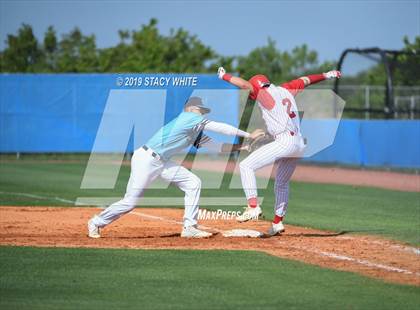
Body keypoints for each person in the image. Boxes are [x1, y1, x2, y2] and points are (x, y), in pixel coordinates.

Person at [88, 96, 264, 238]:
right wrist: (249, 134)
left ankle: (189, 227)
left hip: (162, 162)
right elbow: (218, 127)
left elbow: (217, 146)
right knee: (130, 202)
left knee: (193, 182)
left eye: (203, 111)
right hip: (146, 159)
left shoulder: (193, 130)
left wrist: (244, 147)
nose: (202, 113)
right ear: (190, 109)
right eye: (200, 110)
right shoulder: (188, 118)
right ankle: (96, 222)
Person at [217, 67, 341, 236]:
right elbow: (306, 80)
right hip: (298, 143)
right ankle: (277, 223)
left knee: (246, 166)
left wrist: (224, 76)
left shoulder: (264, 94)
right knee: (281, 183)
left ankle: (253, 206)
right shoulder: (285, 89)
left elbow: (245, 85)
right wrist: (326, 75)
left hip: (285, 141)